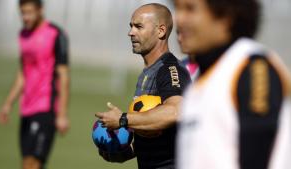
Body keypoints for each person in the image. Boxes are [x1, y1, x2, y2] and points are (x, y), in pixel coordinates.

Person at [174, 0, 291, 169]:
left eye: (190, 9)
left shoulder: (251, 66)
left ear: (225, 16)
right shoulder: (203, 78)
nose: (179, 19)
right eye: (177, 8)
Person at [95, 3, 191, 169]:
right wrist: (123, 153)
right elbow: (155, 134)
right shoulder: (147, 72)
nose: (131, 32)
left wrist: (123, 119)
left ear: (161, 31)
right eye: (131, 26)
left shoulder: (169, 69)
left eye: (139, 26)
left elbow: (176, 111)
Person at [0, 0, 70, 168]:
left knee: (32, 163)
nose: (26, 17)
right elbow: (23, 73)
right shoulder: (23, 35)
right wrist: (8, 104)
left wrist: (62, 114)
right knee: (26, 163)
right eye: (22, 13)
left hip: (46, 108)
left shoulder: (55, 34)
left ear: (40, 10)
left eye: (29, 12)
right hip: (27, 108)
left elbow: (64, 76)